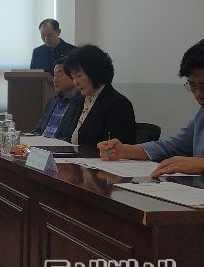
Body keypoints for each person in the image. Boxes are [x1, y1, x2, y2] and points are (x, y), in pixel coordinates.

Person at [98, 39, 204, 177]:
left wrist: (200, 164)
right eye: (193, 86)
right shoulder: (201, 116)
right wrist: (125, 150)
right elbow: (170, 147)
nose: (198, 94)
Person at [60, 44, 136, 146]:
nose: (75, 82)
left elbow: (116, 148)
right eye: (73, 77)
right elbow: (66, 134)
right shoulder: (78, 100)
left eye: (79, 75)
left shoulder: (118, 104)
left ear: (95, 72)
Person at [31, 58, 83, 138]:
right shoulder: (52, 101)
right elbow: (38, 130)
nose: (55, 80)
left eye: (59, 75)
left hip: (59, 145)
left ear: (73, 76)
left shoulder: (81, 103)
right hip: (42, 144)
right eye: (54, 75)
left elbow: (71, 137)